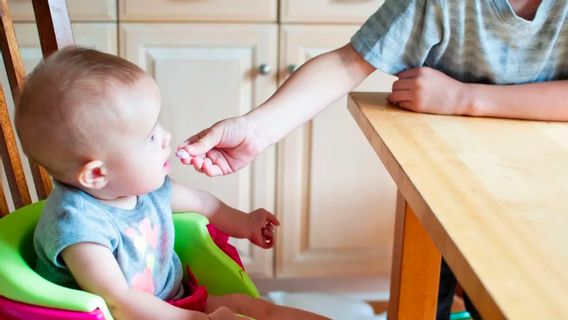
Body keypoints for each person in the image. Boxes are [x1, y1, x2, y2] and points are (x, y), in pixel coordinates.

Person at [175, 0, 568, 319]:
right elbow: (349, 62)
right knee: (433, 296)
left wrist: (463, 98)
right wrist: (256, 129)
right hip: (448, 190)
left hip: (546, 196)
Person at [15, 47, 330, 320]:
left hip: (176, 303)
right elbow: (119, 301)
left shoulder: (145, 189)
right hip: (127, 316)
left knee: (254, 308)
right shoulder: (79, 228)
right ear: (97, 174)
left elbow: (205, 204)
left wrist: (246, 223)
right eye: (150, 137)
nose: (165, 137)